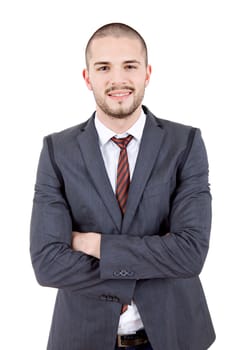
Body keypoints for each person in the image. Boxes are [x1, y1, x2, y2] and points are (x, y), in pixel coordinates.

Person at [30, 22, 216, 350]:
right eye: (104, 67)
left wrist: (96, 244)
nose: (118, 79)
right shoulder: (57, 151)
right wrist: (151, 264)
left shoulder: (185, 144)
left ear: (147, 73)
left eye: (130, 65)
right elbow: (47, 263)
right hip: (83, 338)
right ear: (88, 77)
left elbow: (190, 254)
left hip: (175, 335)